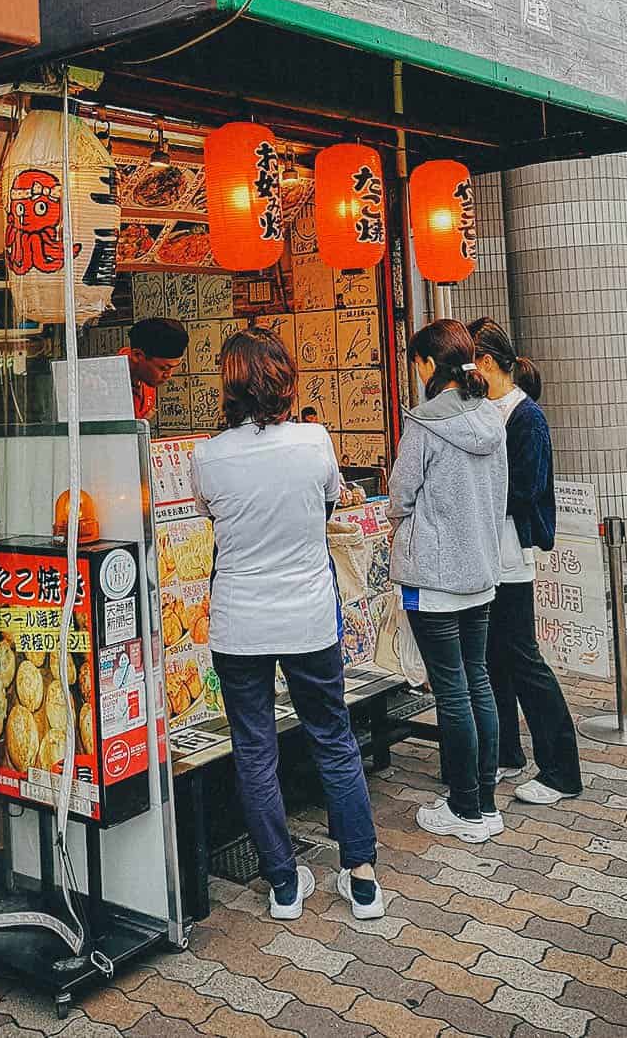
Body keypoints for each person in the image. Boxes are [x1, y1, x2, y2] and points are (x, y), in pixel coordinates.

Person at [191, 327, 385, 921]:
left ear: (227, 385)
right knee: (333, 737)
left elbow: (211, 517)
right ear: (284, 380)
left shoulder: (207, 456)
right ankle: (362, 875)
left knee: (254, 751)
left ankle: (281, 883)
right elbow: (328, 503)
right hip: (307, 617)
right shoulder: (314, 442)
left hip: (239, 621)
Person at [388, 320, 507, 843]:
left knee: (452, 689)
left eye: (417, 363)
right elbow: (498, 497)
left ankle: (464, 808)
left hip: (433, 579)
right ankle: (485, 802)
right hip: (480, 574)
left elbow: (400, 496)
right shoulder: (490, 418)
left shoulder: (423, 424)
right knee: (477, 679)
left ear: (429, 365)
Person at [468, 317, 583, 806]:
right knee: (496, 658)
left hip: (509, 557)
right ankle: (506, 752)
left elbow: (526, 489)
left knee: (523, 659)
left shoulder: (524, 416)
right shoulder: (490, 411)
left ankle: (560, 769)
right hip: (488, 557)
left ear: (488, 363)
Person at [119, 317, 189, 419]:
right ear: (137, 356)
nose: (168, 375)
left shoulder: (146, 378)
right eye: (164, 368)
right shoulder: (107, 386)